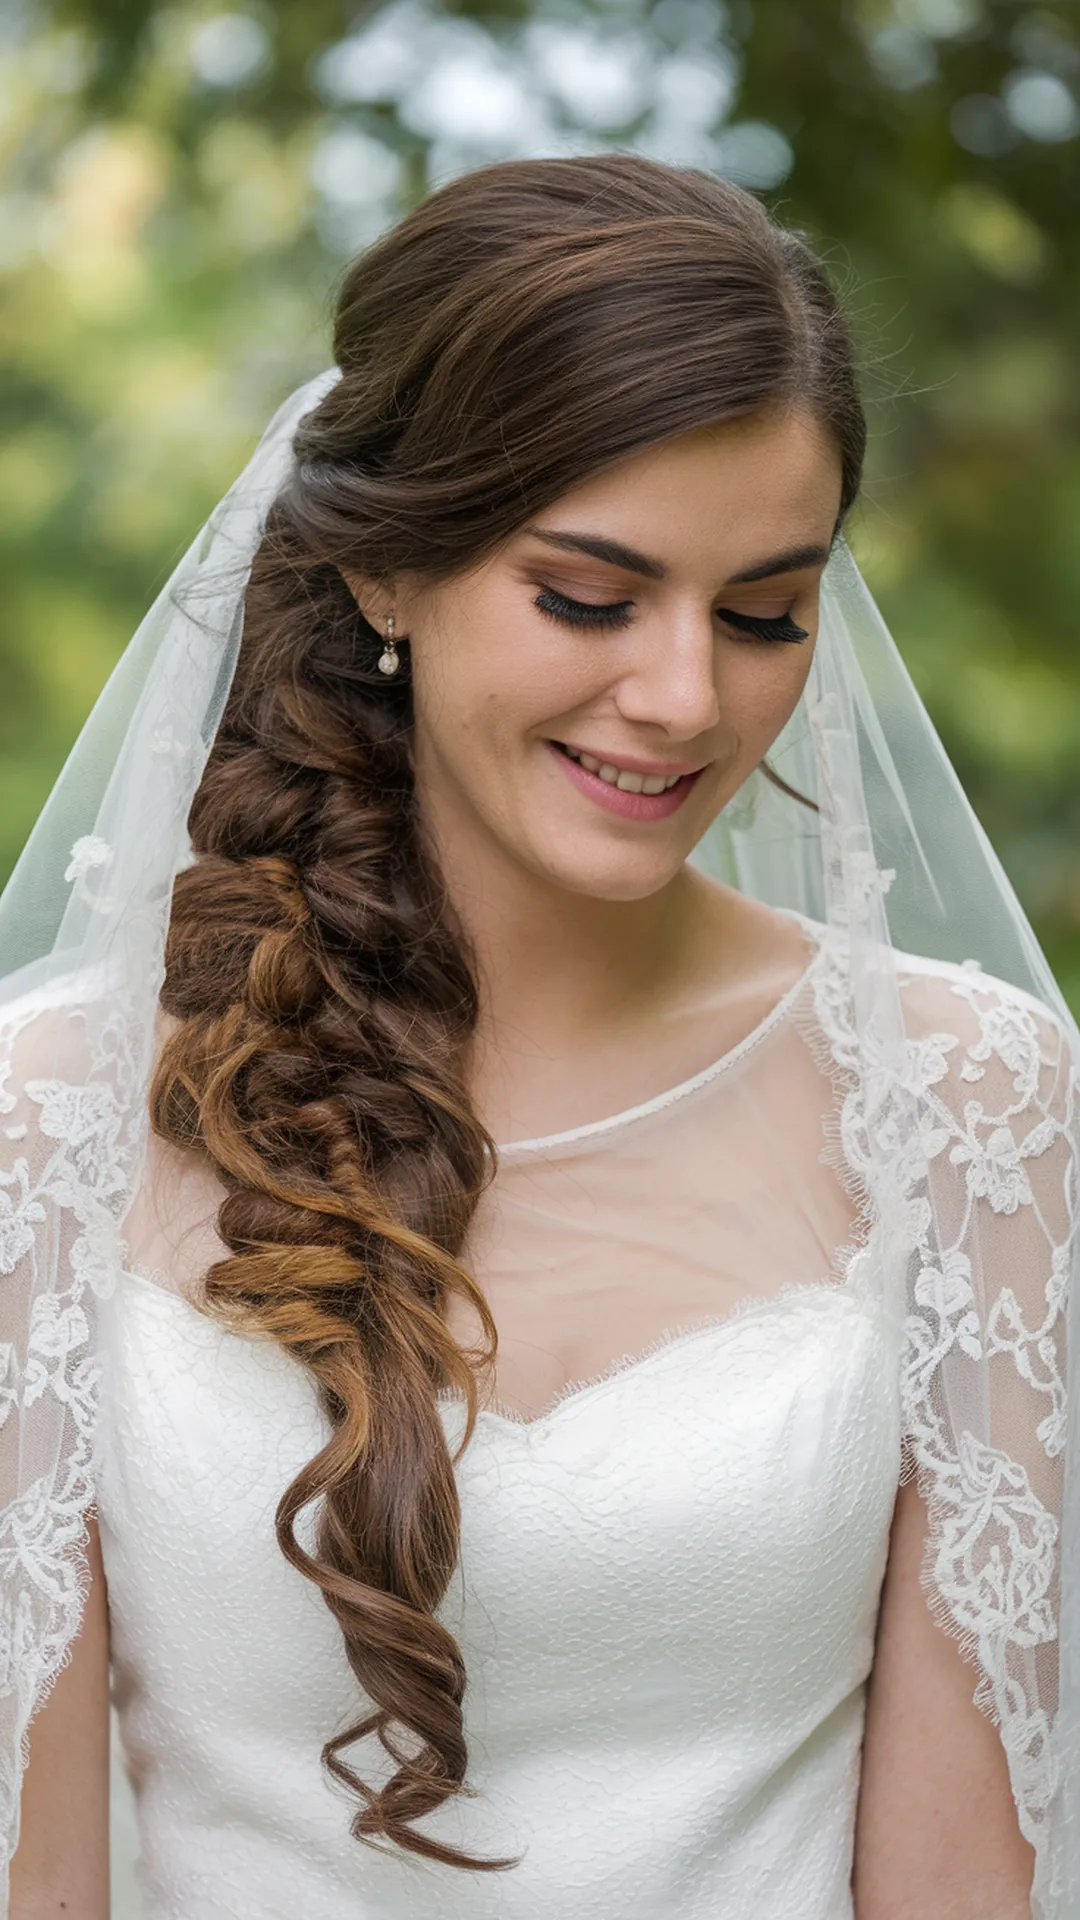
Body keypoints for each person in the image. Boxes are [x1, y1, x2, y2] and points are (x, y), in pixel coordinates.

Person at [2, 154, 1077, 1920]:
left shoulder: (969, 1104)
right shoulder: (48, 1123)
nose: (682, 697)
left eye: (763, 612)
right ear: (388, 577)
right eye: (589, 595)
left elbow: (967, 1878)